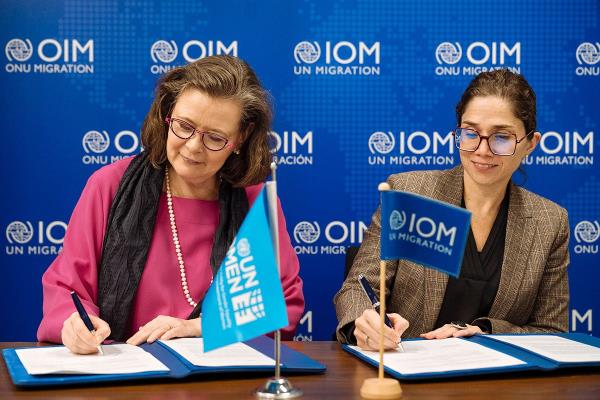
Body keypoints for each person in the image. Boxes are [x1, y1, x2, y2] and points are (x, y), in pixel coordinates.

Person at [38, 55, 304, 354]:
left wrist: (199, 328)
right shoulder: (108, 185)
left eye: (215, 137)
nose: (193, 146)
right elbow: (67, 288)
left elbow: (281, 306)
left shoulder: (254, 200)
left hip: (221, 381)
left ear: (240, 138)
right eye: (184, 126)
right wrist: (75, 323)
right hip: (124, 375)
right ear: (167, 114)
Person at [334, 69, 569, 351]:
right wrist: (365, 322)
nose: (482, 149)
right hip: (407, 372)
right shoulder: (409, 192)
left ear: (530, 143)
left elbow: (551, 332)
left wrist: (485, 330)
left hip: (497, 383)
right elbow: (357, 289)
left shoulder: (550, 222)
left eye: (501, 137)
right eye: (470, 133)